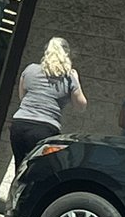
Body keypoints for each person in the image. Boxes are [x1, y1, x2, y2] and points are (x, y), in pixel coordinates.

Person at [9, 37, 87, 170]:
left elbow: (22, 97)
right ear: (66, 55)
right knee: (40, 170)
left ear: (46, 52)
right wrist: (77, 81)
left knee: (20, 168)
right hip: (45, 128)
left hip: (19, 125)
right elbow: (81, 106)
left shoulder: (30, 69)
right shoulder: (69, 78)